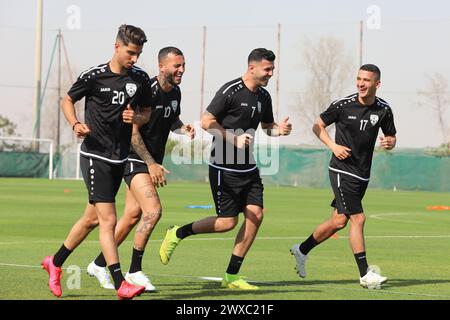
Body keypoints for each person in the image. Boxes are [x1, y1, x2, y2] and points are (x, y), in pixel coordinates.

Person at [158, 48, 292, 290]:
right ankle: (177, 233)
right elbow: (207, 120)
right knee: (226, 223)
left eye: (273, 69)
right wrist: (233, 139)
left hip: (248, 168)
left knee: (256, 215)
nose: (271, 74)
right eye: (267, 69)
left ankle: (231, 276)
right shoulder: (231, 90)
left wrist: (278, 130)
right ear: (252, 68)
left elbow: (267, 126)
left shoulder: (264, 97)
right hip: (223, 167)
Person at [41, 24, 153, 300]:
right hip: (94, 156)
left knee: (91, 219)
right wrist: (75, 123)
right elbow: (67, 100)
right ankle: (120, 283)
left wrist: (136, 119)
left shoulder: (140, 79)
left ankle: (54, 263)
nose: (135, 59)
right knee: (109, 220)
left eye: (138, 54)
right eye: (130, 52)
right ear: (116, 47)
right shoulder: (93, 76)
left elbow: (147, 113)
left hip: (119, 157)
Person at [86, 47, 195, 292]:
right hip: (133, 157)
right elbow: (133, 133)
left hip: (147, 160)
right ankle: (134, 270)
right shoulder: (148, 91)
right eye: (177, 66)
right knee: (153, 212)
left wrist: (182, 128)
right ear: (162, 66)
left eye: (183, 65)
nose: (182, 70)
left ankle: (98, 264)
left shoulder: (175, 91)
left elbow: (171, 118)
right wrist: (151, 163)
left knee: (133, 216)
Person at [290, 64, 396, 289]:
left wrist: (389, 143)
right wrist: (333, 145)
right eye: (358, 79)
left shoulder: (384, 109)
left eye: (366, 80)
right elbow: (317, 126)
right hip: (341, 169)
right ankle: (365, 275)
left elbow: (391, 136)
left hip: (362, 174)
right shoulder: (343, 105)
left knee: (338, 221)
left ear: (377, 84)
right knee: (358, 219)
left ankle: (302, 249)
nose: (361, 83)